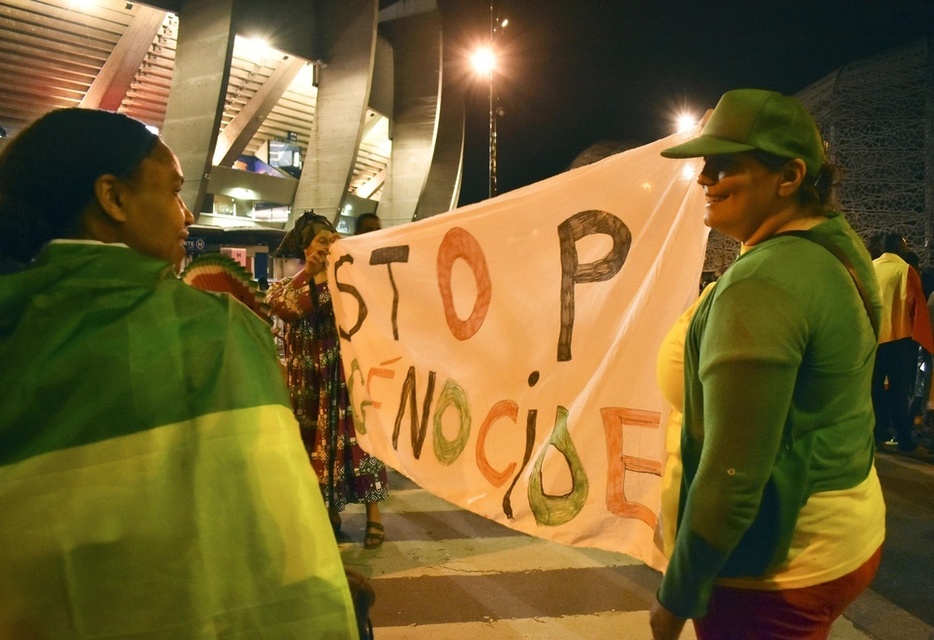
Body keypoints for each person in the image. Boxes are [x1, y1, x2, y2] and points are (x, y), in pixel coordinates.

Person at [0, 108, 359, 637]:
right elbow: (277, 533)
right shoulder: (216, 332)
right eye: (172, 192)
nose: (186, 215)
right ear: (113, 198)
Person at [651, 89, 885, 639]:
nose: (704, 178)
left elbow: (732, 476)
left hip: (773, 570)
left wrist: (676, 599)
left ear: (790, 176)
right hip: (844, 529)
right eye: (704, 165)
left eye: (726, 163)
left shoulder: (763, 285)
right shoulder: (832, 246)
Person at [267, 215, 389, 549]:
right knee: (317, 448)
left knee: (360, 446)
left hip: (346, 382)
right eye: (321, 240)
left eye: (332, 239)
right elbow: (287, 307)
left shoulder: (347, 281)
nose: (327, 245)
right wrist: (311, 272)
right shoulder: (290, 286)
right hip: (309, 386)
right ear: (306, 248)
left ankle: (374, 516)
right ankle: (331, 511)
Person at [871, 232, 934, 458]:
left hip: (873, 339)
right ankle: (904, 440)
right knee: (899, 392)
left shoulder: (870, 268)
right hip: (900, 340)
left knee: (873, 390)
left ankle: (876, 436)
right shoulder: (906, 270)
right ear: (901, 248)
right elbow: (917, 308)